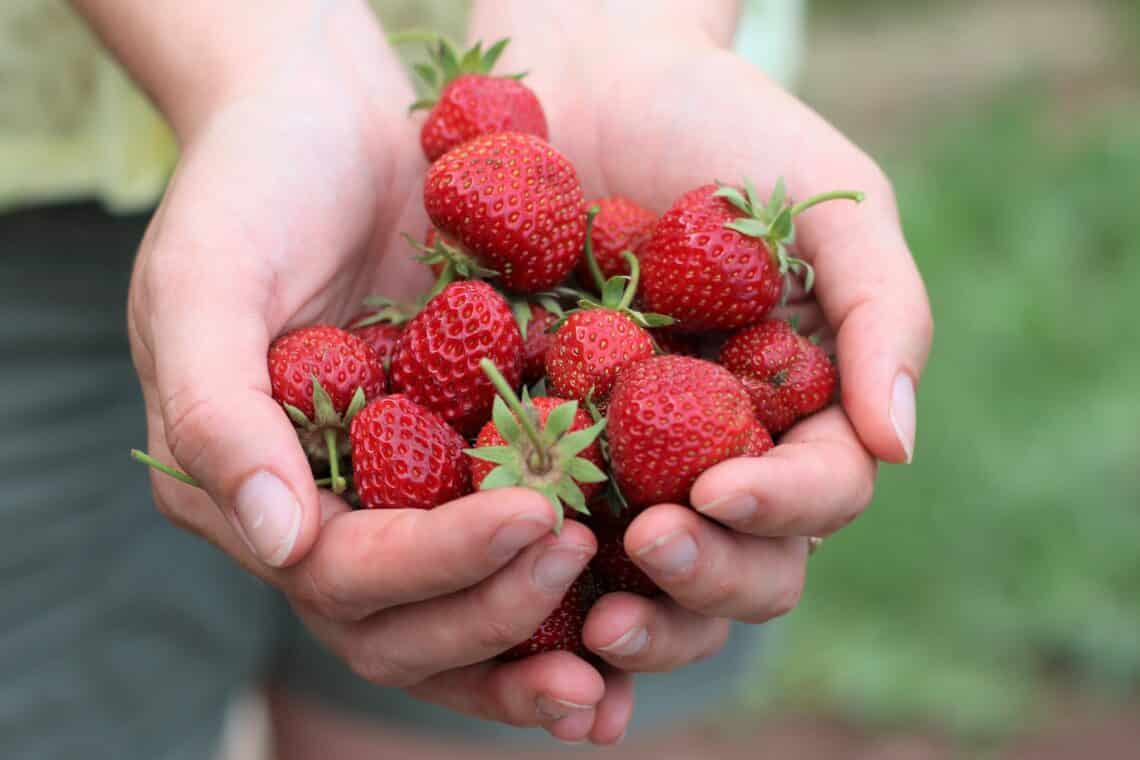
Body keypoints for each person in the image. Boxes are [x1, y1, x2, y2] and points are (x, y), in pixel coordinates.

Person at [0, 0, 932, 756]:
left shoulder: (589, 303)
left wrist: (628, 24)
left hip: (614, 84)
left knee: (499, 686)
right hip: (47, 195)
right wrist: (254, 60)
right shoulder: (500, 326)